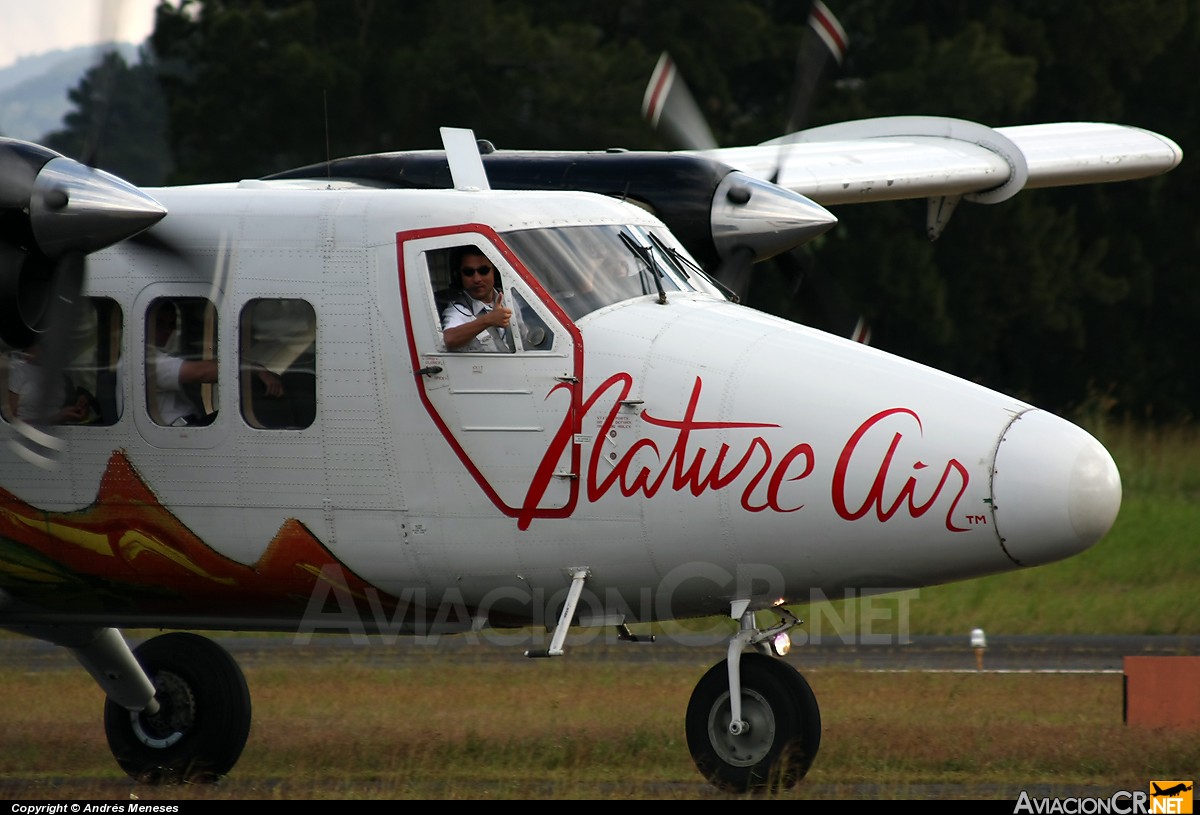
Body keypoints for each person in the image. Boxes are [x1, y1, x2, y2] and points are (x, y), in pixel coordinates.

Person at [150, 303, 284, 426]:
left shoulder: (157, 354)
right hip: (181, 432)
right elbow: (202, 373)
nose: (168, 331)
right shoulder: (150, 359)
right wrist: (256, 369)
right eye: (160, 323)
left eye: (172, 325)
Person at [440, 247, 515, 352]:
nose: (477, 279)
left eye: (483, 271)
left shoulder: (509, 299)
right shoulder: (458, 309)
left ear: (495, 272)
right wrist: (488, 320)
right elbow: (449, 339)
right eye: (468, 272)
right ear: (458, 276)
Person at [6, 342, 95, 425]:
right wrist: (56, 419)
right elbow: (10, 423)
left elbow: (65, 410)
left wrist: (77, 409)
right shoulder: (17, 369)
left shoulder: (59, 374)